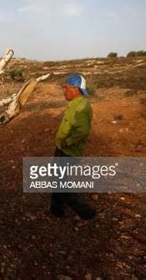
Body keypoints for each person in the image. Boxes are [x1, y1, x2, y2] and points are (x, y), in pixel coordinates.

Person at [51, 74, 96, 220]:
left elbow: (82, 131)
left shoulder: (81, 107)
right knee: (56, 179)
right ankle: (56, 210)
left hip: (68, 152)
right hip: (63, 150)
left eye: (66, 88)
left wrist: (67, 142)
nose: (64, 91)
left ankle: (86, 212)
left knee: (62, 185)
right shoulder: (76, 104)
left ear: (76, 89)